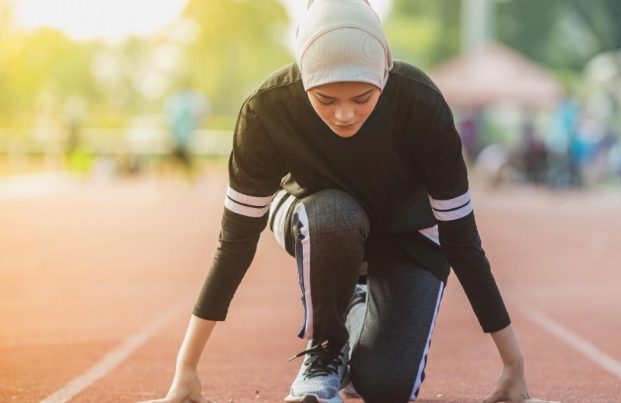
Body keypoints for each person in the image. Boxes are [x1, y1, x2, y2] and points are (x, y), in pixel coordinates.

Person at [141, 1, 556, 402]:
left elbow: (462, 239)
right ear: (303, 77)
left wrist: (513, 363)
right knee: (336, 215)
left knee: (387, 388)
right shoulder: (266, 111)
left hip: (405, 231)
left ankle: (357, 301)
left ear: (385, 72)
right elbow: (234, 241)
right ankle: (326, 345)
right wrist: (187, 368)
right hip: (318, 218)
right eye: (325, 99)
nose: (344, 115)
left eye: (362, 98)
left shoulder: (422, 105)